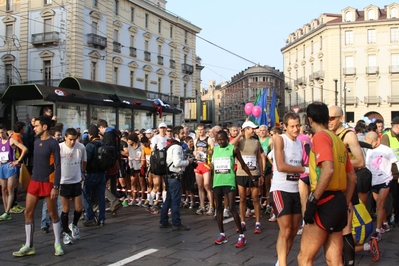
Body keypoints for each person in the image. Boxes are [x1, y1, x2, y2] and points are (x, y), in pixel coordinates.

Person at [297, 102, 356, 266]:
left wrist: (313, 200)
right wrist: (344, 201)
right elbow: (352, 177)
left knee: (304, 258)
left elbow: (328, 169)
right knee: (334, 260)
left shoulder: (320, 136)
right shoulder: (337, 140)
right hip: (338, 201)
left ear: (310, 119)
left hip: (324, 201)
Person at [13, 116, 64, 257]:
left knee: (53, 213)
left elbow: (58, 166)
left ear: (45, 127)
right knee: (27, 212)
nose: (34, 128)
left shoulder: (53, 144)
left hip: (48, 182)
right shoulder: (35, 142)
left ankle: (57, 243)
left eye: (36, 126)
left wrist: (56, 186)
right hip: (35, 181)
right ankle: (29, 245)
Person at [329, 105, 366, 266]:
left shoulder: (348, 135)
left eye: (333, 118)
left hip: (346, 187)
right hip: (332, 187)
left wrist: (340, 163)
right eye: (327, 118)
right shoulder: (328, 135)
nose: (329, 121)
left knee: (345, 229)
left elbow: (360, 161)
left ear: (341, 118)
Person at [270, 112, 307, 265]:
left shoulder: (300, 143)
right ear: (284, 127)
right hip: (280, 189)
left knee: (292, 231)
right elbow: (281, 166)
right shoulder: (280, 140)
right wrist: (304, 170)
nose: (296, 129)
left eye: (298, 125)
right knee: (285, 231)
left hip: (294, 190)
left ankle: (280, 262)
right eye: (292, 126)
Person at [213, 130, 254, 248]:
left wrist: (251, 177)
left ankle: (241, 235)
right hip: (217, 182)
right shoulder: (215, 149)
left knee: (231, 208)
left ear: (227, 138)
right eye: (218, 140)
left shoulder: (233, 149)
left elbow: (243, 164)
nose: (220, 142)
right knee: (218, 209)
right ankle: (222, 234)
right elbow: (213, 166)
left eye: (222, 139)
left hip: (229, 181)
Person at [230, 121, 264, 233]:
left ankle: (258, 223)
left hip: (254, 173)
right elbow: (230, 145)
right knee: (243, 198)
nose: (254, 130)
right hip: (241, 173)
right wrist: (240, 134)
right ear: (246, 129)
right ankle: (242, 222)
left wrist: (262, 174)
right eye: (251, 129)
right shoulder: (239, 141)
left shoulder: (256, 142)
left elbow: (259, 158)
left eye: (254, 129)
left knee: (255, 198)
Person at [365, 131, 398, 241]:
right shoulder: (369, 150)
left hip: (385, 180)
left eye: (369, 142)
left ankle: (378, 231)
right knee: (380, 206)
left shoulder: (386, 150)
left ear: (375, 140)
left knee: (380, 204)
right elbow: (367, 166)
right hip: (374, 181)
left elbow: (395, 162)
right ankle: (385, 223)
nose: (368, 144)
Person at [159, 126, 193, 231]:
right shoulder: (177, 147)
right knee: (175, 201)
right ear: (177, 135)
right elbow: (177, 163)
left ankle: (164, 221)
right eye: (182, 133)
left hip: (169, 176)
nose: (185, 135)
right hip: (174, 176)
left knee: (168, 200)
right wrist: (188, 162)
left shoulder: (172, 146)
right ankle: (176, 223)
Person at [59, 128, 87, 245]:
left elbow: (84, 160)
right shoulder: (59, 147)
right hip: (63, 181)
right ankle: (65, 232)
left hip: (76, 180)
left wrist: (83, 172)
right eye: (70, 139)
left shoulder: (80, 147)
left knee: (79, 208)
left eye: (74, 139)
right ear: (65, 137)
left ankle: (74, 225)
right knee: (65, 209)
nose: (72, 142)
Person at [0, 125, 28, 221]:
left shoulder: (11, 140)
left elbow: (24, 149)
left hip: (10, 165)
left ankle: (7, 211)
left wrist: (18, 161)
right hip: (2, 166)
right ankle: (6, 211)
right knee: (3, 189)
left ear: (5, 131)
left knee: (10, 189)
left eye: (2, 132)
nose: (1, 135)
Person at [82, 125, 106, 227]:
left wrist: (83, 171)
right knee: (101, 196)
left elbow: (86, 160)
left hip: (92, 173)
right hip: (102, 173)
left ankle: (90, 217)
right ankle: (102, 219)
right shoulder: (103, 144)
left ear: (90, 134)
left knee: (85, 193)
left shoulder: (90, 145)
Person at [97, 119, 122, 215]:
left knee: (101, 183)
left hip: (109, 162)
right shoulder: (115, 133)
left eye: (100, 129)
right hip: (115, 161)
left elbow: (106, 150)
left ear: (101, 127)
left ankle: (114, 201)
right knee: (112, 185)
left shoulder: (107, 135)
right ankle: (114, 206)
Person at [380, 117, 399, 226]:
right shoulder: (387, 137)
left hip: (397, 172)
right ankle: (386, 220)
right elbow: (383, 157)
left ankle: (396, 218)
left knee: (396, 198)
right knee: (390, 198)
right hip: (391, 173)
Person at [194, 123, 215, 215]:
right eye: (198, 129)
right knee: (200, 186)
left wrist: (206, 150)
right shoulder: (196, 140)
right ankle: (202, 205)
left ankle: (211, 206)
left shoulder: (209, 139)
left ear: (205, 130)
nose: (200, 131)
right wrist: (195, 153)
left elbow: (213, 151)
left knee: (207, 185)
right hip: (198, 164)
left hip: (207, 164)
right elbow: (194, 150)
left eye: (202, 129)